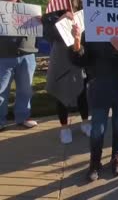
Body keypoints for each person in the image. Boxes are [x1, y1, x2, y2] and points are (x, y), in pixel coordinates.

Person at [71, 23, 118, 181]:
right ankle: (95, 162)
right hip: (99, 84)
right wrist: (76, 43)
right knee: (97, 128)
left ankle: (116, 158)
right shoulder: (90, 32)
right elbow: (80, 60)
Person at [43, 9, 90, 144]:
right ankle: (64, 128)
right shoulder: (50, 17)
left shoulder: (82, 15)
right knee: (61, 91)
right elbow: (49, 35)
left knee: (81, 91)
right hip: (60, 59)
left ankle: (85, 122)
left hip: (78, 55)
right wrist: (61, 19)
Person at [0, 0, 38, 130]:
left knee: (26, 89)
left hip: (27, 55)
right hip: (3, 56)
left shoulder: (29, 9)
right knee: (1, 90)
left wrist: (40, 21)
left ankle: (23, 117)